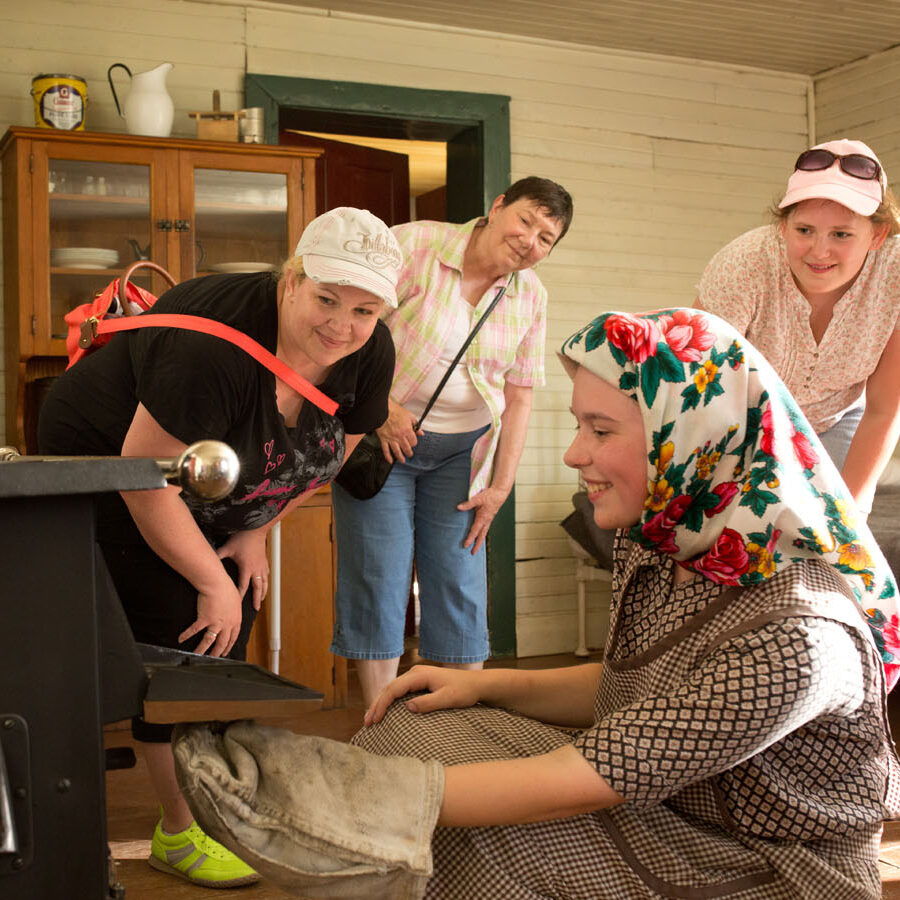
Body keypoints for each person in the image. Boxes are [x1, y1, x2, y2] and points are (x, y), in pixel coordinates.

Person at [175, 309, 900, 899]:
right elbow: (634, 682)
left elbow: (595, 774)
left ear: (694, 441)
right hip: (675, 809)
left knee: (480, 842)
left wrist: (349, 795)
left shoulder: (800, 633)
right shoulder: (664, 543)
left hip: (774, 869)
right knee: (414, 725)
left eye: (602, 430)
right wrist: (483, 684)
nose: (574, 455)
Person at [38, 207, 399, 889]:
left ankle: (211, 801)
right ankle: (180, 829)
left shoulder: (367, 351)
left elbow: (324, 461)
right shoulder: (215, 347)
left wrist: (255, 533)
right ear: (291, 280)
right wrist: (209, 580)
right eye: (325, 298)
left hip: (221, 472)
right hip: (111, 458)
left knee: (235, 620)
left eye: (364, 309)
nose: (341, 326)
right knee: (184, 626)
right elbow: (145, 479)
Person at [331, 176, 574, 707]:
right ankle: (380, 721)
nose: (530, 240)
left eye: (546, 238)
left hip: (465, 455)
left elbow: (521, 395)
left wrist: (501, 485)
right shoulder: (414, 245)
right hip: (383, 447)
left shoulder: (530, 294)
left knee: (459, 582)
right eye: (526, 221)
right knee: (379, 576)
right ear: (498, 206)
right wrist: (382, 410)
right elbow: (348, 330)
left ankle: (461, 717)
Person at [695, 138, 900, 516]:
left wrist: (849, 520)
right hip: (744, 418)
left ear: (877, 235)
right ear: (783, 225)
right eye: (804, 230)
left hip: (840, 417)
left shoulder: (895, 274)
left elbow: (884, 410)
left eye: (841, 234)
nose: (819, 251)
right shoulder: (745, 263)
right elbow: (701, 387)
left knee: (835, 531)